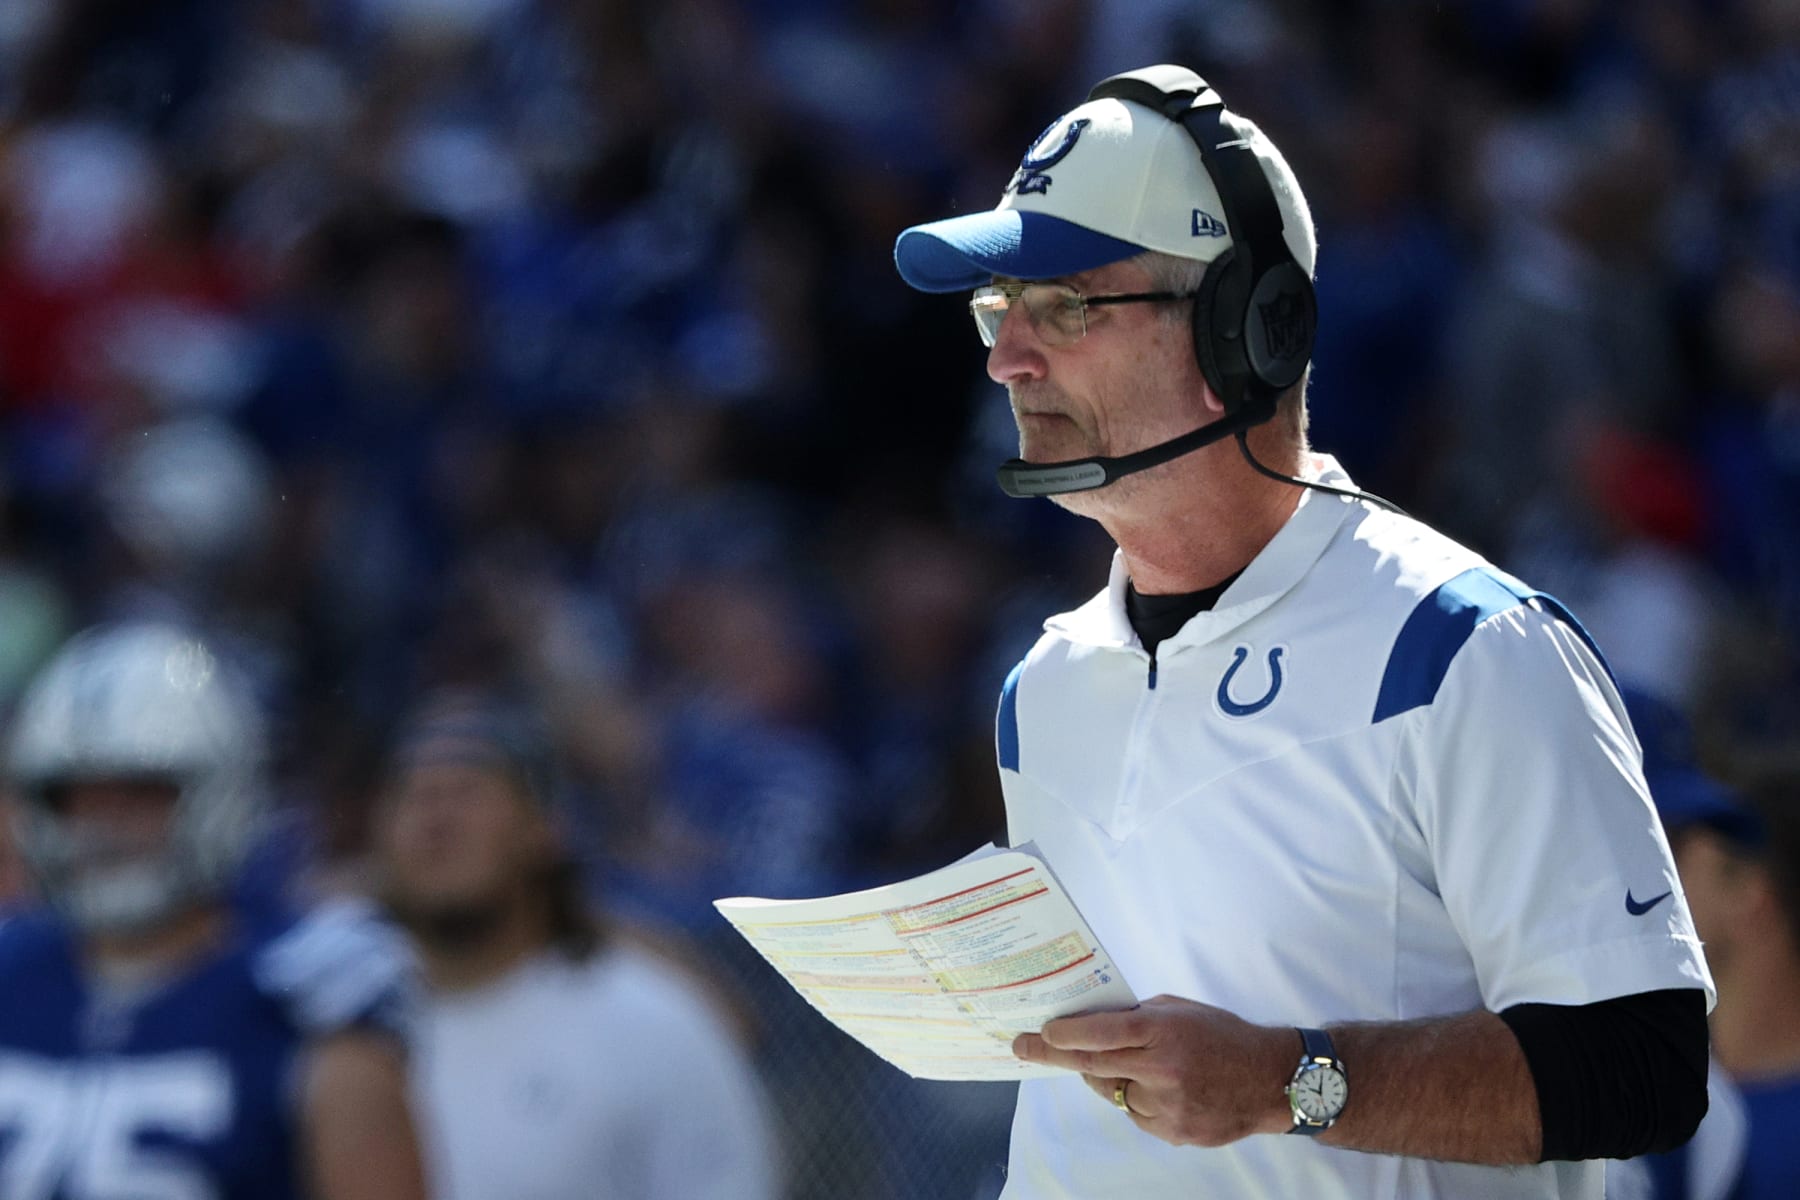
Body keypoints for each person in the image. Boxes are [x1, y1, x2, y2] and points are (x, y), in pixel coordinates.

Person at [891, 64, 1712, 1198]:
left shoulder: (1466, 649)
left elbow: (1644, 1068)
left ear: (1249, 331)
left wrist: (1293, 1080)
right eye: (1000, 309)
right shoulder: (1044, 686)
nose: (1007, 358)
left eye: (1066, 306)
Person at [0, 621, 429, 1200]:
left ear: (222, 793)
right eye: (74, 796)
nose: (102, 828)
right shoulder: (12, 969)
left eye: (140, 793)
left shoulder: (308, 989)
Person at [371, 693, 780, 1200]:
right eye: (414, 795)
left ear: (544, 828)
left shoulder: (653, 1025)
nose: (436, 818)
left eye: (467, 793)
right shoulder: (333, 1034)